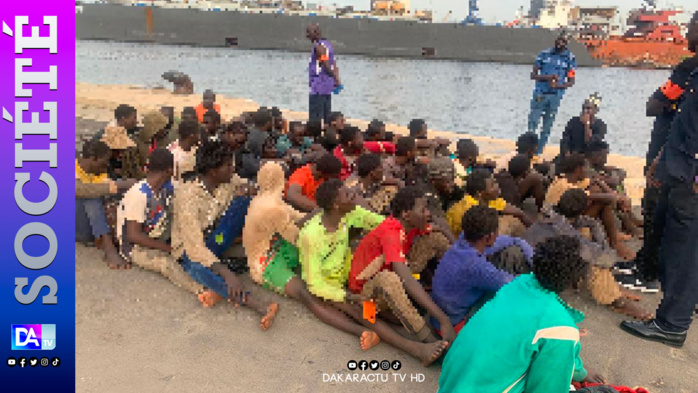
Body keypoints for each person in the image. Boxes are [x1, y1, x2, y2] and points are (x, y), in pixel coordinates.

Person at [438, 236, 606, 393]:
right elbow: (546, 389)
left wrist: (577, 370)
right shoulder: (560, 330)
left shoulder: (519, 284)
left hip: (452, 383)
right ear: (577, 282)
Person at [621, 14, 698, 347]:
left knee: (683, 250)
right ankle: (678, 308)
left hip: (690, 177)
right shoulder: (692, 70)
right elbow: (682, 122)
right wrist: (661, 158)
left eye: (694, 23)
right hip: (677, 168)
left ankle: (673, 324)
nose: (688, 29)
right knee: (672, 245)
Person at [171, 141, 278, 330]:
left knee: (244, 199)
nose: (233, 169)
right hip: (192, 247)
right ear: (213, 170)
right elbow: (195, 247)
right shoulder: (188, 198)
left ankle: (224, 273)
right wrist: (226, 273)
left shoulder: (226, 181)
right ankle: (256, 304)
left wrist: (253, 189)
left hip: (216, 238)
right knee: (194, 266)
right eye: (228, 166)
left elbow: (248, 185)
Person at [349, 186, 457, 346]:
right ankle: (428, 340)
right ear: (406, 214)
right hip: (365, 291)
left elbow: (438, 229)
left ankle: (451, 292)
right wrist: (443, 319)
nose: (428, 214)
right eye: (423, 209)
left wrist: (454, 246)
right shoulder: (391, 232)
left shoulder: (411, 226)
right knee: (390, 279)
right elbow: (404, 277)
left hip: (391, 272)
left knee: (435, 239)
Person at [521, 189, 652, 320]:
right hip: (536, 277)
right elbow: (607, 259)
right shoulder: (569, 235)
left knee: (583, 249)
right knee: (595, 264)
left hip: (527, 266)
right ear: (581, 211)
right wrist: (595, 227)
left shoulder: (547, 215)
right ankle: (615, 300)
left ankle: (609, 290)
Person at [116, 148, 204, 296]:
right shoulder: (139, 194)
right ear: (169, 170)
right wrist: (168, 248)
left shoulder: (165, 188)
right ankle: (200, 290)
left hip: (156, 233)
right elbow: (133, 236)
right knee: (165, 262)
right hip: (134, 247)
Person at [433, 206, 533, 334]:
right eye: (497, 232)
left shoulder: (465, 239)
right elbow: (513, 284)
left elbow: (510, 241)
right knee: (511, 302)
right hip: (454, 322)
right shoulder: (477, 267)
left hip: (439, 313)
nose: (498, 235)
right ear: (488, 238)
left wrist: (522, 246)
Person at [546, 153, 635, 260]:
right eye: (585, 167)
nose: (587, 171)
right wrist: (620, 199)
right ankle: (614, 242)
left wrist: (600, 182)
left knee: (597, 190)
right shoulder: (565, 186)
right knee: (602, 202)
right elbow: (606, 197)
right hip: (560, 226)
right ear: (579, 169)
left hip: (562, 219)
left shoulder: (565, 179)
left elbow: (595, 181)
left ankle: (614, 235)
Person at [75, 140, 129, 269]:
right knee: (91, 196)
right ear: (94, 159)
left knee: (117, 187)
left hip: (89, 228)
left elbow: (107, 186)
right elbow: (79, 189)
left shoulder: (97, 172)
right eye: (104, 161)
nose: (106, 165)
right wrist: (116, 186)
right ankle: (108, 246)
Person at [529, 31, 577, 155]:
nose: (560, 43)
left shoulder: (570, 59)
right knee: (533, 123)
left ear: (567, 44)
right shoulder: (544, 55)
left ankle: (538, 152)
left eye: (563, 42)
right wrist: (548, 77)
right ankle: (528, 149)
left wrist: (558, 86)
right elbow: (533, 75)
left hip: (555, 96)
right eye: (559, 40)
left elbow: (571, 82)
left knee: (547, 127)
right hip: (540, 93)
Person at [446, 168, 532, 237]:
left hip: (477, 241)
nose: (497, 187)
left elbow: (519, 213)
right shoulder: (469, 210)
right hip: (462, 246)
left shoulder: (488, 199)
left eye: (495, 182)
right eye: (492, 185)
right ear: (480, 193)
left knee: (513, 220)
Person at [307, 23, 340, 125]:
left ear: (316, 33)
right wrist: (337, 79)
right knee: (326, 117)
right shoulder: (328, 45)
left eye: (309, 32)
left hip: (318, 88)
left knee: (315, 120)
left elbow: (325, 64)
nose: (307, 36)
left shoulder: (319, 47)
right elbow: (333, 63)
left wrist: (334, 77)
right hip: (327, 88)